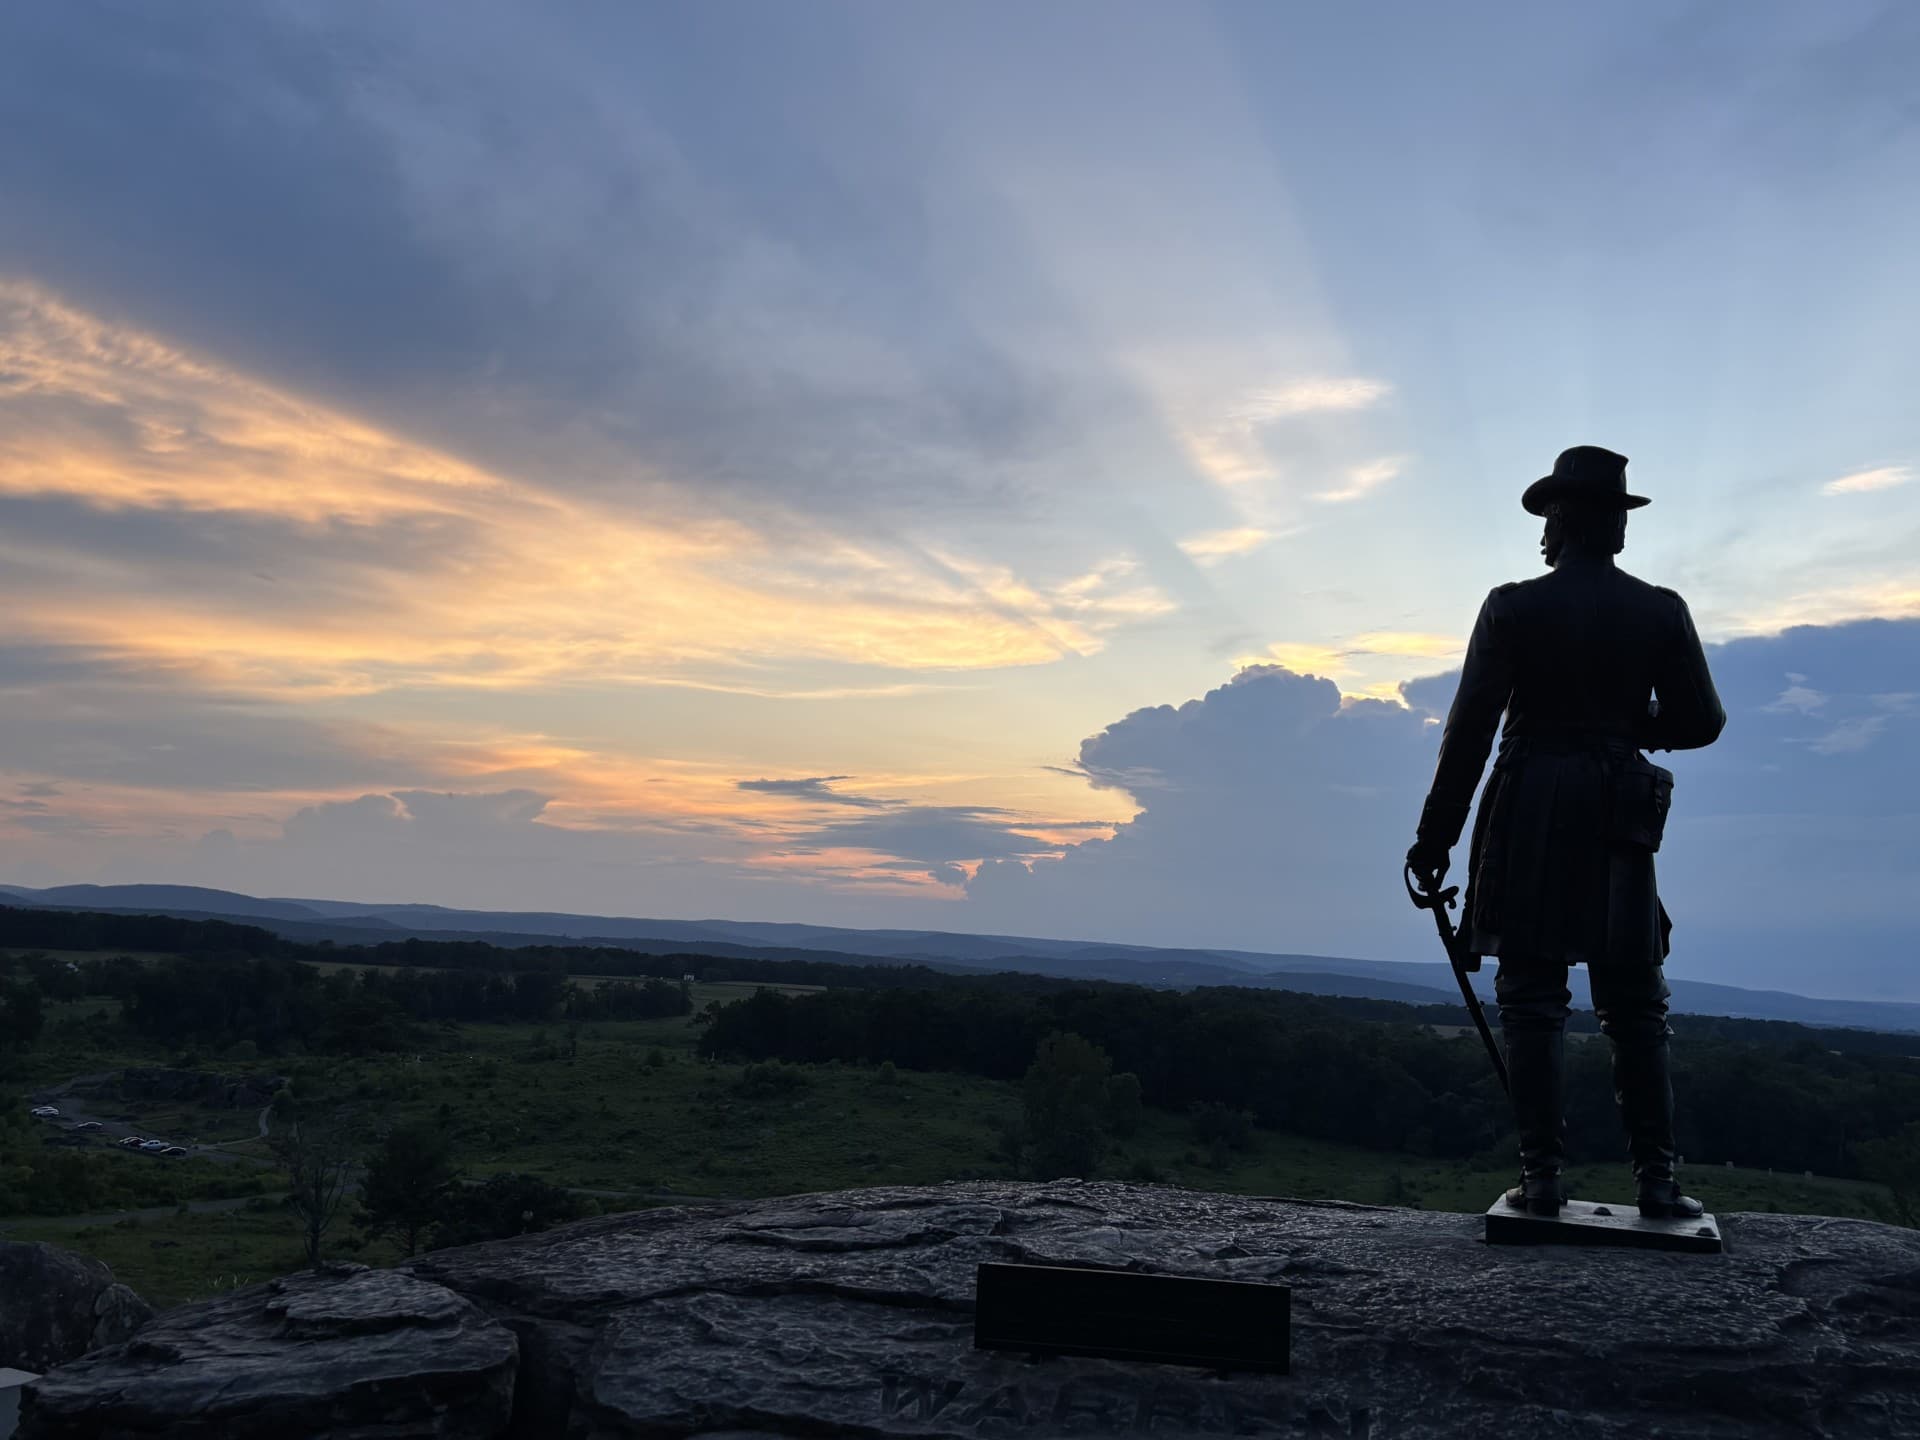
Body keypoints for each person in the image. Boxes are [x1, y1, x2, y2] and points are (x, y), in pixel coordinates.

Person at [1406, 445, 1725, 1219]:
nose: (1543, 535)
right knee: (1634, 999)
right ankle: (1658, 1181)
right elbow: (1701, 720)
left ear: (1562, 521)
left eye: (1549, 518)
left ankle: (1542, 1178)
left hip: (1532, 802)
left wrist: (1435, 837)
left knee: (1531, 994)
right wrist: (1629, 727)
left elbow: (1471, 730)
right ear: (1613, 526)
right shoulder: (1659, 609)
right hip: (1619, 803)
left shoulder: (1514, 605)